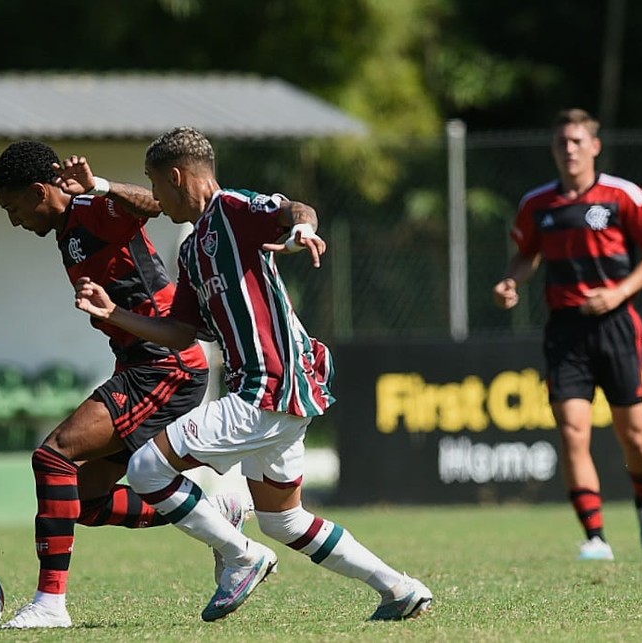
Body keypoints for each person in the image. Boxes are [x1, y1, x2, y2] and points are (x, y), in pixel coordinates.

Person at [74, 126, 433, 623]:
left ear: (176, 177)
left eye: (154, 183)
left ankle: (241, 555)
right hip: (277, 394)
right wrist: (114, 312)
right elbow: (180, 333)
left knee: (146, 469)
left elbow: (294, 209)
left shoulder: (233, 209)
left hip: (268, 386)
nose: (154, 196)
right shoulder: (192, 251)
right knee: (284, 520)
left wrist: (302, 229)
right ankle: (399, 588)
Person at [0, 140, 246, 629]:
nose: (14, 220)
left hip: (164, 364)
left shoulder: (90, 208)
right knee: (84, 500)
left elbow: (154, 205)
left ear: (40, 191)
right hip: (138, 364)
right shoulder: (67, 228)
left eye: (13, 207)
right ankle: (213, 515)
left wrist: (99, 185)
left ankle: (50, 604)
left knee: (53, 457)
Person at [493, 108, 642, 561]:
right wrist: (512, 281)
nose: (569, 149)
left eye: (577, 141)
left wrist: (620, 293)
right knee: (573, 432)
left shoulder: (622, 195)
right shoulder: (538, 203)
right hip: (565, 330)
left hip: (617, 326)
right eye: (561, 142)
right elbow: (526, 255)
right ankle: (596, 538)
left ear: (594, 146)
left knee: (634, 435)